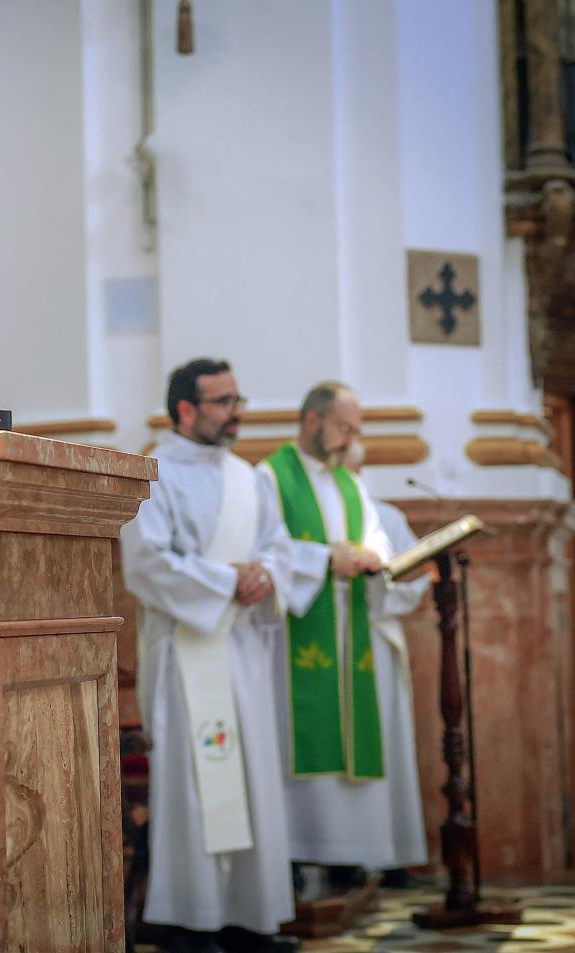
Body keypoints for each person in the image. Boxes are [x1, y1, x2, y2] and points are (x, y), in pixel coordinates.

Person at [121, 358, 298, 953]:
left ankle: (249, 918)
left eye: (237, 398)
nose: (237, 411)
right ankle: (186, 920)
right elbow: (148, 564)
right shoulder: (151, 473)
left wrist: (266, 574)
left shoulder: (251, 478)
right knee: (196, 784)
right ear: (186, 410)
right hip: (186, 652)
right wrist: (230, 582)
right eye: (223, 401)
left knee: (249, 781)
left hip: (243, 650)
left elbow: (278, 547)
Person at [256, 383, 407, 887]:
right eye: (345, 428)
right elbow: (267, 547)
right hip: (299, 628)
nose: (349, 440)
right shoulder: (270, 477)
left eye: (355, 431)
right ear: (313, 421)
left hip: (351, 624)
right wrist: (324, 559)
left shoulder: (350, 483)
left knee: (353, 736)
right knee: (302, 731)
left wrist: (373, 556)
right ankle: (300, 852)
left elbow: (375, 533)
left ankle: (350, 853)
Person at [344, 440, 430, 885]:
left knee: (388, 747)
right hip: (329, 650)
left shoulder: (385, 517)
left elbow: (417, 576)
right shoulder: (319, 519)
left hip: (374, 641)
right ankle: (345, 855)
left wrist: (384, 586)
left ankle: (392, 853)